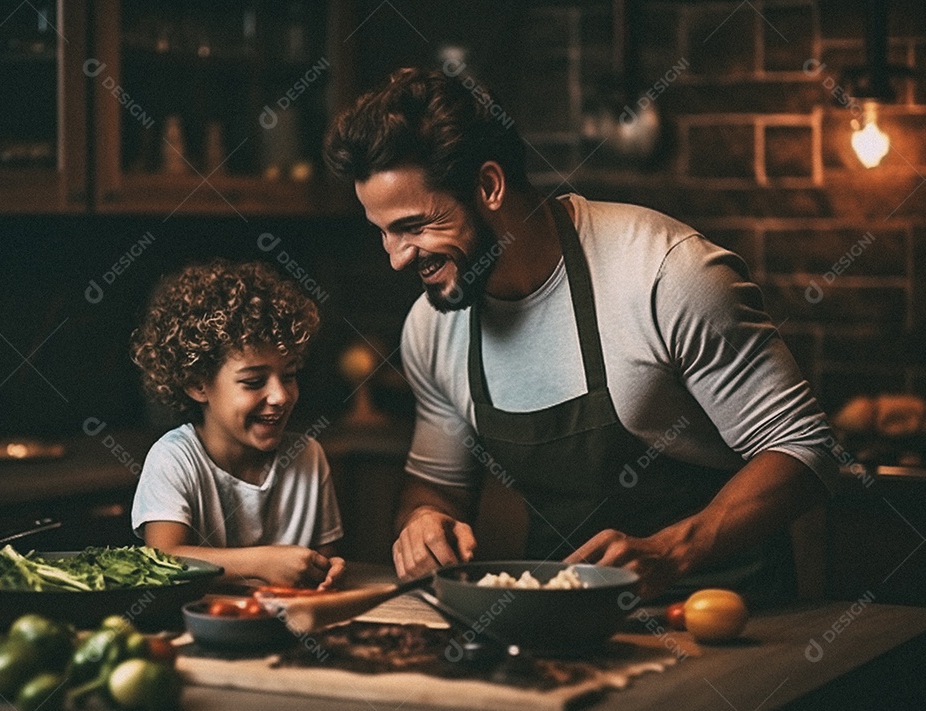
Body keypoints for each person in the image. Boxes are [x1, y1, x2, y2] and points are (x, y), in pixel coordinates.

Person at [324, 68, 839, 600]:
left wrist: (671, 551)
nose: (396, 258)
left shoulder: (665, 274)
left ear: (489, 186)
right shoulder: (432, 328)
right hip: (567, 625)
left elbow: (805, 449)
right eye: (382, 232)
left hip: (731, 618)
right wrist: (423, 520)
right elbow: (438, 485)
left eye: (413, 226)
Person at [129, 260, 345, 589]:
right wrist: (261, 563)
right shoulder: (173, 459)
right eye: (254, 381)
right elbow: (162, 560)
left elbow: (322, 567)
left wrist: (327, 570)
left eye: (288, 375)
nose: (280, 396)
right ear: (198, 385)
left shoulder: (308, 457)